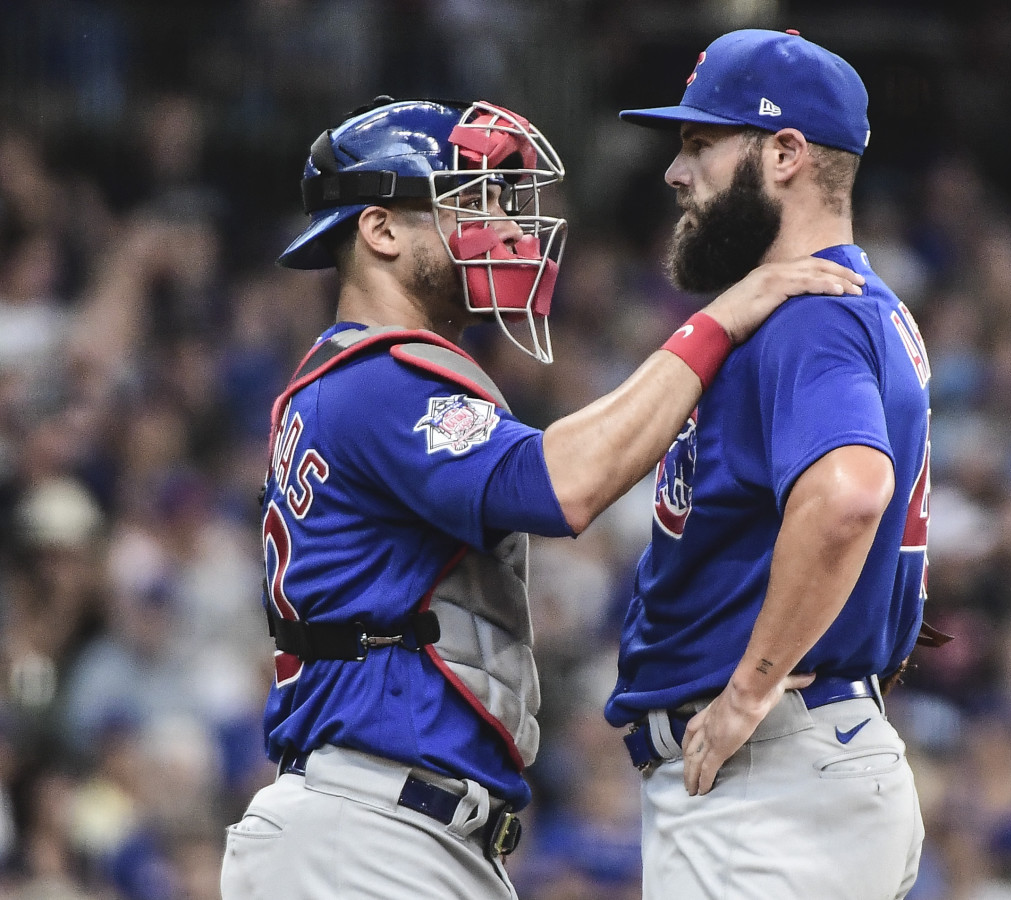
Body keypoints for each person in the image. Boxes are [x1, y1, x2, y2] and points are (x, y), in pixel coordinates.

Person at [218, 95, 866, 900]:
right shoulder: (378, 381)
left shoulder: (359, 377)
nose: (504, 227)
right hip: (367, 834)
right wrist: (721, 319)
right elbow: (567, 485)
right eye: (466, 201)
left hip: (392, 829)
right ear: (380, 231)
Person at [603, 29, 941, 900]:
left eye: (700, 143)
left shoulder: (808, 313)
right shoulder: (852, 304)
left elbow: (849, 495)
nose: (678, 173)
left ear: (785, 153)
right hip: (810, 761)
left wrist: (750, 692)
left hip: (773, 777)